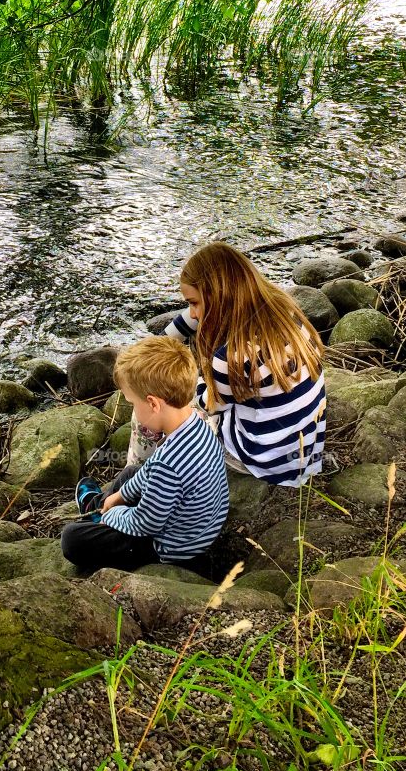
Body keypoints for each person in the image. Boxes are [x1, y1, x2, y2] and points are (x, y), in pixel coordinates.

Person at [127, 242, 326, 487]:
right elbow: (197, 316)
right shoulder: (282, 308)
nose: (193, 313)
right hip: (304, 453)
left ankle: (134, 479)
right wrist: (160, 343)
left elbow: (207, 404)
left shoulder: (232, 357)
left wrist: (176, 370)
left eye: (193, 303)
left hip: (262, 461)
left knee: (153, 399)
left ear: (219, 297)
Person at [60, 335, 229, 574]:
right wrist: (117, 497)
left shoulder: (168, 464)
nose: (134, 411)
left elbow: (145, 523)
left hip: (171, 547)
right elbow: (148, 473)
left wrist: (114, 514)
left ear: (152, 404)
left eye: (132, 403)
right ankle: (98, 506)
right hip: (199, 526)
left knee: (71, 539)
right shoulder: (198, 425)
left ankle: (99, 514)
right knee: (131, 472)